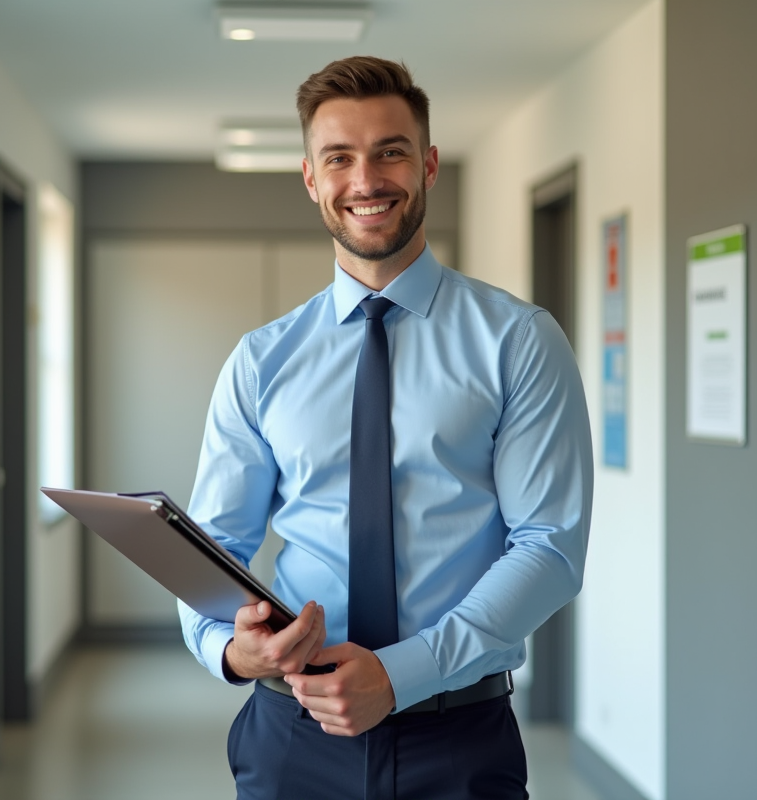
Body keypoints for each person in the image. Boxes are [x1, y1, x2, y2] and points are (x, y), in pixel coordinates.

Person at [178, 55, 593, 800]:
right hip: (290, 736)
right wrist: (235, 653)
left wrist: (401, 675)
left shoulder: (517, 341)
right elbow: (209, 549)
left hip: (455, 735)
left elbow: (551, 547)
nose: (366, 180)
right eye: (339, 158)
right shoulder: (263, 360)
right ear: (312, 178)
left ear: (428, 164)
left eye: (390, 152)